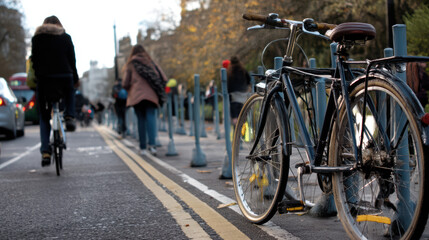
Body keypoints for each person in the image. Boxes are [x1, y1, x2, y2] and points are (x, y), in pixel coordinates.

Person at [31, 16, 79, 167]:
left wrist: (39, 77)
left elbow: (35, 61)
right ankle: (70, 116)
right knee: (70, 92)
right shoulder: (65, 37)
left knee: (44, 116)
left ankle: (45, 151)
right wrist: (75, 79)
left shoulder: (37, 39)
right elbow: (72, 61)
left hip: (45, 80)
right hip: (64, 77)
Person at [122, 44, 167, 156]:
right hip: (151, 95)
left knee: (141, 120)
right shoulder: (151, 62)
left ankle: (142, 148)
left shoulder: (131, 64)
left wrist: (131, 88)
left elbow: (125, 83)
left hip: (137, 96)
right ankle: (153, 146)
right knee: (151, 117)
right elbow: (163, 78)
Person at [227, 56, 250, 125]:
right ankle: (243, 130)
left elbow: (228, 84)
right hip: (243, 94)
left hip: (234, 95)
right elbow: (248, 80)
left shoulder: (229, 71)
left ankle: (236, 132)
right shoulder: (243, 70)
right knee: (242, 113)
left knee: (235, 116)